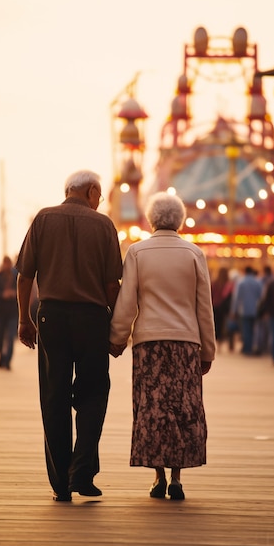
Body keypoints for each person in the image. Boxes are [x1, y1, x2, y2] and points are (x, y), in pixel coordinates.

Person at [15, 170, 123, 502]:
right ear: (91, 191)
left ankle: (62, 483)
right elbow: (111, 287)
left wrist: (24, 320)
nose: (99, 202)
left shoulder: (43, 219)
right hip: (91, 319)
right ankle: (82, 470)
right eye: (99, 195)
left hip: (52, 317)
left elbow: (24, 276)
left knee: (54, 397)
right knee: (93, 393)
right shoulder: (103, 225)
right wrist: (115, 330)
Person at [109, 192, 216, 500]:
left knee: (152, 409)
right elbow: (204, 308)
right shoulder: (194, 253)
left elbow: (127, 302)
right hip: (185, 344)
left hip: (149, 344)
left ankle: (157, 477)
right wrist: (207, 350)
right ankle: (177, 479)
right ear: (179, 220)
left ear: (151, 219)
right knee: (182, 408)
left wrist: (116, 338)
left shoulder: (137, 252)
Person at [0, 256, 18, 369]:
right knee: (0, 338)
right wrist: (2, 295)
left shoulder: (15, 278)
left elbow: (22, 290)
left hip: (12, 312)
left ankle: (7, 360)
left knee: (10, 337)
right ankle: (1, 355)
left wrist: (14, 294)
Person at [230, 266, 262, 355]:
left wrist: (233, 310)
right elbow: (261, 296)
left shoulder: (241, 283)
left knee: (245, 330)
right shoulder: (257, 282)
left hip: (244, 310)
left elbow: (236, 298)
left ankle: (247, 348)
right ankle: (251, 347)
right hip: (255, 309)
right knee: (253, 330)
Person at [211, 266, 234, 349]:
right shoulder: (229, 284)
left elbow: (211, 295)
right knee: (223, 325)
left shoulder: (214, 283)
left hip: (214, 306)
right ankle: (222, 342)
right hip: (224, 307)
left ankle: (216, 342)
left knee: (215, 324)